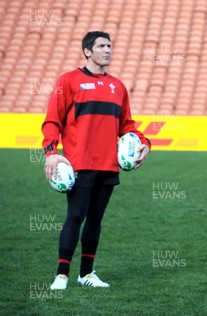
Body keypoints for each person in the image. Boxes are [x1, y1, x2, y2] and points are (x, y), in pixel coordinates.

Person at [43, 31, 151, 290]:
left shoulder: (118, 86)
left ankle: (86, 273)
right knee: (75, 216)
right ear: (87, 51)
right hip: (79, 163)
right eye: (101, 46)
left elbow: (127, 126)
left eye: (109, 46)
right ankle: (62, 275)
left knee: (95, 219)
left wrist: (146, 143)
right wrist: (51, 152)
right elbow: (52, 120)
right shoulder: (69, 81)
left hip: (108, 165)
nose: (107, 50)